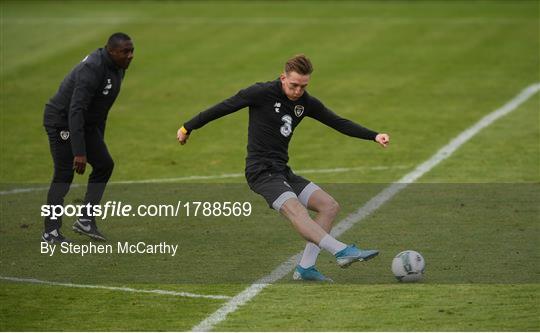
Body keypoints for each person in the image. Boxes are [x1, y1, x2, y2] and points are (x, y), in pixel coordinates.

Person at [177, 55, 390, 281]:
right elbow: (222, 108)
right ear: (282, 78)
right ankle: (341, 250)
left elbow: (338, 122)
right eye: (293, 85)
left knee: (329, 206)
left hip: (282, 171)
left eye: (303, 86)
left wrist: (374, 136)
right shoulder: (260, 93)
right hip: (260, 172)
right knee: (296, 209)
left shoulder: (306, 103)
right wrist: (187, 127)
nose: (298, 91)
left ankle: (306, 268)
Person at [41, 33, 134, 244]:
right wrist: (80, 151)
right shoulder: (92, 68)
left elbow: (101, 109)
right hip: (62, 121)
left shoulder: (118, 68)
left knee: (104, 164)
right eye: (125, 52)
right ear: (111, 51)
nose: (130, 56)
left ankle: (85, 219)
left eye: (132, 51)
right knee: (64, 174)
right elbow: (76, 109)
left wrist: (98, 140)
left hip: (87, 123)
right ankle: (50, 231)